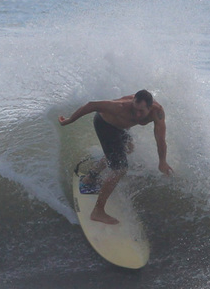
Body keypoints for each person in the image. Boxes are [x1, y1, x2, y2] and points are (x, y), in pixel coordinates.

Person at [59, 89, 173, 225]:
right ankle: (98, 211)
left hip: (121, 128)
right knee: (120, 169)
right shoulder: (120, 106)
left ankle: (91, 177)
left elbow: (160, 139)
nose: (137, 114)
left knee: (128, 149)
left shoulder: (157, 112)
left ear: (150, 107)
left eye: (141, 111)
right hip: (105, 125)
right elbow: (91, 105)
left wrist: (162, 162)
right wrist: (69, 120)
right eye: (134, 109)